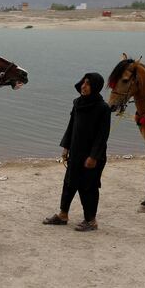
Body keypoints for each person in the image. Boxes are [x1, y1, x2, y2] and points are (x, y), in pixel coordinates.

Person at [43, 72, 111, 231]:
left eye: (88, 84)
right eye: (83, 82)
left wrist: (93, 156)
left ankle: (91, 221)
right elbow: (71, 126)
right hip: (75, 152)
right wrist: (66, 147)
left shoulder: (103, 108)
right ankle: (63, 215)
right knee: (69, 183)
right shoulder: (78, 103)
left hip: (92, 156)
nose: (83, 86)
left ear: (95, 87)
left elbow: (103, 135)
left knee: (89, 187)